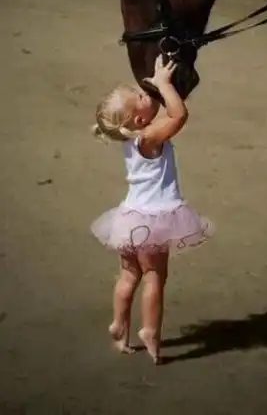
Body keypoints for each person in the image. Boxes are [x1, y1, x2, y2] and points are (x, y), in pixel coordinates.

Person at [91, 55, 214, 364]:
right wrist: (163, 84)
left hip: (129, 219)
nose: (148, 93)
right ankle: (149, 331)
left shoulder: (132, 138)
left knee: (128, 275)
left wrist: (160, 81)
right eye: (142, 97)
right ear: (138, 120)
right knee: (155, 277)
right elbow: (179, 115)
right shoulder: (149, 137)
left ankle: (119, 325)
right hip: (154, 221)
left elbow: (164, 114)